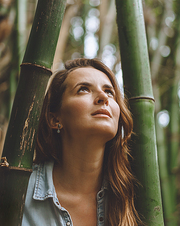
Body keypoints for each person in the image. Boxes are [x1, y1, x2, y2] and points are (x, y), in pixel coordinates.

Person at [22, 58, 141, 226]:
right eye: (83, 89)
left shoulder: (133, 195)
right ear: (54, 118)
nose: (103, 97)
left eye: (109, 92)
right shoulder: (15, 189)